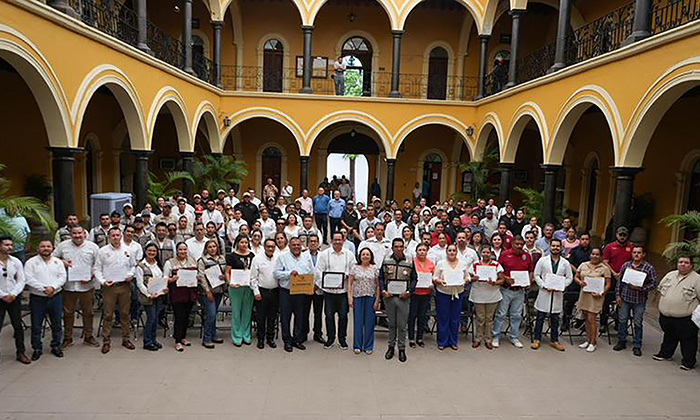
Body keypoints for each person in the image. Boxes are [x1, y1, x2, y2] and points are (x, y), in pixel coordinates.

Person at [54, 226, 100, 349]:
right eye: (74, 233)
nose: (77, 235)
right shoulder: (63, 246)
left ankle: (88, 336)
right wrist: (62, 262)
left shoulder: (93, 247)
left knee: (88, 312)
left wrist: (91, 276)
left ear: (84, 234)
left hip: (87, 286)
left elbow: (98, 264)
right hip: (68, 286)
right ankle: (68, 338)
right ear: (71, 234)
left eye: (80, 233)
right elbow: (53, 258)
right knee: (68, 313)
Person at [94, 227, 137, 354]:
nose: (116, 238)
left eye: (118, 235)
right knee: (108, 315)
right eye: (113, 235)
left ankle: (126, 339)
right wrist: (102, 281)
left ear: (121, 236)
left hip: (124, 286)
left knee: (124, 314)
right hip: (109, 287)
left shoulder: (128, 250)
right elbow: (97, 269)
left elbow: (133, 266)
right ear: (109, 237)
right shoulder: (102, 251)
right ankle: (106, 341)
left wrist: (131, 274)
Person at [654, 255, 700, 370]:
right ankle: (665, 354)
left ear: (691, 265)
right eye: (680, 262)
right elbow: (660, 289)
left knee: (688, 341)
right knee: (669, 336)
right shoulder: (670, 275)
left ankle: (688, 362)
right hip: (666, 315)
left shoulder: (697, 279)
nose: (683, 264)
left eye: (686, 262)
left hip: (685, 318)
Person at [24, 239, 67, 360]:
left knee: (57, 323)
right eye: (42, 246)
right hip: (38, 298)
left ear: (53, 248)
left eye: (48, 246)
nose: (45, 248)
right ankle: (37, 348)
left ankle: (56, 346)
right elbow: (29, 278)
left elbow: (62, 277)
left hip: (55, 296)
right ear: (38, 249)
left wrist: (53, 287)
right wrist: (43, 289)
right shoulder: (30, 262)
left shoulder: (57, 262)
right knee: (36, 325)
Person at [614, 245, 657, 356]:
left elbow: (653, 284)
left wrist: (641, 288)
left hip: (639, 300)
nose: (636, 254)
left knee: (638, 322)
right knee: (622, 320)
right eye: (634, 252)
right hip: (625, 298)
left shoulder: (649, 268)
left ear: (643, 254)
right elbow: (619, 282)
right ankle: (621, 341)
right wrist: (618, 296)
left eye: (639, 252)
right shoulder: (626, 266)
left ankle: (637, 345)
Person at [274, 237, 315, 352]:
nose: (296, 247)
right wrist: (288, 274)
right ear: (289, 246)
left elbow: (311, 272)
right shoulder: (283, 258)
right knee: (286, 317)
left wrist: (311, 286)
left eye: (298, 245)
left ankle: (297, 339)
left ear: (301, 246)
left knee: (300, 316)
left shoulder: (306, 258)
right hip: (286, 292)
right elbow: (276, 274)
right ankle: (287, 341)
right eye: (294, 245)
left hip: (301, 292)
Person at [379, 238, 417, 362]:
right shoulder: (386, 260)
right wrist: (383, 290)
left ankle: (401, 349)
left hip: (403, 298)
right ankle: (390, 347)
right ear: (392, 247)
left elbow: (414, 279)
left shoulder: (410, 261)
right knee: (391, 324)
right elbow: (380, 277)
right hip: (389, 297)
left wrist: (409, 292)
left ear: (404, 247)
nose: (399, 248)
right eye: (396, 246)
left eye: (401, 246)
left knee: (402, 325)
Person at [532, 239, 572, 351]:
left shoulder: (565, 263)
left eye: (557, 246)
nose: (555, 248)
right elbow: (536, 275)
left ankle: (554, 340)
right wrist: (544, 286)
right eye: (553, 246)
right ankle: (537, 339)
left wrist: (561, 286)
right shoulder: (542, 260)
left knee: (555, 318)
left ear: (561, 248)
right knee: (540, 317)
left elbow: (570, 278)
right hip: (545, 292)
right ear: (550, 247)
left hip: (557, 293)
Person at [316, 232, 355, 350]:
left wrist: (347, 276)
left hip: (343, 292)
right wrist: (325, 280)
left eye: (340, 239)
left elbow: (353, 269)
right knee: (329, 316)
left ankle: (342, 339)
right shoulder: (324, 254)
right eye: (335, 239)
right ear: (332, 240)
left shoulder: (349, 254)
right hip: (329, 292)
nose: (337, 242)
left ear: (343, 241)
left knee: (343, 316)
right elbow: (318, 270)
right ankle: (330, 338)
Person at [493, 235, 532, 349]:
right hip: (506, 289)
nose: (519, 246)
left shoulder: (526, 256)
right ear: (512, 244)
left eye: (521, 244)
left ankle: (514, 336)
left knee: (516, 315)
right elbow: (498, 271)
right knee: (501, 314)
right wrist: (505, 278)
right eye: (517, 244)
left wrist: (529, 281)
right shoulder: (505, 254)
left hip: (519, 290)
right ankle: (496, 336)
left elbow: (530, 271)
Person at [574, 247, 612, 353]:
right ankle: (587, 339)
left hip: (596, 296)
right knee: (586, 317)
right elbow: (576, 277)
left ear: (600, 256)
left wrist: (602, 292)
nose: (595, 256)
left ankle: (593, 342)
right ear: (590, 255)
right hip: (584, 294)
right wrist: (579, 282)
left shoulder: (604, 268)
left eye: (597, 254)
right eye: (593, 254)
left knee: (592, 319)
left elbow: (608, 284)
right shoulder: (583, 265)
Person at [0, 236, 31, 366]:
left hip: (13, 297)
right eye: (6, 245)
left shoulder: (16, 261)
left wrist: (13, 294)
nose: (10, 247)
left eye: (11, 245)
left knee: (18, 326)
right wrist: (3, 295)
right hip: (1, 297)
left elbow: (21, 280)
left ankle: (21, 352)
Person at [163, 242, 199, 352]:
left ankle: (183, 337)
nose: (182, 252)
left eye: (184, 249)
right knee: (179, 317)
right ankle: (177, 341)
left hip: (190, 294)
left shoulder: (192, 261)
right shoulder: (170, 263)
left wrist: (197, 277)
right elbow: (165, 278)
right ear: (176, 251)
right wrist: (171, 279)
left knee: (186, 317)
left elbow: (197, 275)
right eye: (180, 249)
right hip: (177, 294)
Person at [468, 246, 504, 349]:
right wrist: (473, 278)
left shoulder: (496, 265)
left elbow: (502, 280)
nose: (486, 254)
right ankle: (478, 338)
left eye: (488, 252)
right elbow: (468, 278)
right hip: (478, 294)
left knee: (489, 319)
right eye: (484, 252)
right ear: (480, 253)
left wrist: (495, 282)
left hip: (492, 295)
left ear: (491, 253)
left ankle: (488, 339)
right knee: (480, 318)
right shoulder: (475, 265)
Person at [347, 247, 380, 354]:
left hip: (370, 297)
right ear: (360, 256)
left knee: (370, 323)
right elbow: (350, 283)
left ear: (371, 257)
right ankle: (357, 345)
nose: (365, 256)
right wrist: (350, 297)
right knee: (358, 322)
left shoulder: (375, 268)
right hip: (358, 297)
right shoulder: (355, 268)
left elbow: (378, 286)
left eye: (367, 254)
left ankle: (368, 346)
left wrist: (377, 300)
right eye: (363, 254)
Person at [135, 243, 167, 351]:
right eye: (149, 251)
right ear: (145, 251)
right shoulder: (140, 266)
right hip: (148, 297)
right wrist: (149, 294)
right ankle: (147, 341)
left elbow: (161, 280)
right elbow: (140, 284)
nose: (152, 253)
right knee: (151, 318)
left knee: (156, 318)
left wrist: (164, 289)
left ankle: (153, 339)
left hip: (158, 295)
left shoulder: (158, 265)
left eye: (154, 251)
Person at [602, 226, 634, 331]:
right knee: (606, 300)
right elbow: (605, 262)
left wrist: (622, 273)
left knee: (621, 301)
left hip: (625, 277)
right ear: (616, 235)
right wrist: (614, 273)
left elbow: (633, 262)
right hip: (611, 276)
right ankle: (603, 322)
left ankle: (618, 323)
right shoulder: (609, 247)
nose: (622, 237)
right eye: (620, 235)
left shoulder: (631, 247)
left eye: (624, 235)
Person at [197, 239, 227, 348]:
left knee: (214, 314)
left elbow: (226, 272)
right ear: (206, 249)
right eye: (210, 247)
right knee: (211, 314)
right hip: (208, 292)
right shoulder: (202, 260)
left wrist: (225, 277)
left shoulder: (222, 258)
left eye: (214, 246)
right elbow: (201, 277)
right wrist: (207, 291)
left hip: (219, 290)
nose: (212, 249)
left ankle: (214, 335)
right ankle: (207, 338)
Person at [226, 235, 255, 347]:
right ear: (237, 243)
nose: (244, 244)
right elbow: (227, 272)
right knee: (236, 312)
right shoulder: (232, 256)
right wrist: (230, 283)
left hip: (248, 287)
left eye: (246, 242)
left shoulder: (252, 255)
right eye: (242, 242)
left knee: (247, 312)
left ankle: (246, 335)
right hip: (235, 287)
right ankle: (237, 336)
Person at [251, 238, 279, 349]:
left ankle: (270, 338)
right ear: (264, 247)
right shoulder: (257, 259)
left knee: (272, 317)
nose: (270, 248)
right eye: (268, 246)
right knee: (261, 317)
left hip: (275, 291)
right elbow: (253, 278)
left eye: (272, 246)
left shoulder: (279, 258)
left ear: (275, 248)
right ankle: (261, 339)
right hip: (262, 292)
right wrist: (256, 292)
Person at [408, 243, 434, 348]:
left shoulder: (431, 263)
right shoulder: (412, 263)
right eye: (420, 250)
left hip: (426, 293)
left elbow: (434, 277)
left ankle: (419, 338)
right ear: (416, 251)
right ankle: (411, 338)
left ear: (427, 251)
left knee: (422, 317)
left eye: (424, 250)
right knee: (412, 316)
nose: (422, 252)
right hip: (414, 293)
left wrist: (432, 284)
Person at [303, 234, 324, 343]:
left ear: (318, 243)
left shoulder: (323, 255)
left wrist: (317, 286)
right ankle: (304, 333)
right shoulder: (303, 255)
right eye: (311, 241)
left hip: (319, 289)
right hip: (306, 289)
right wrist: (309, 286)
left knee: (318, 313)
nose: (313, 243)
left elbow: (324, 272)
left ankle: (318, 334)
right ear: (307, 243)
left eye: (315, 241)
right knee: (304, 312)